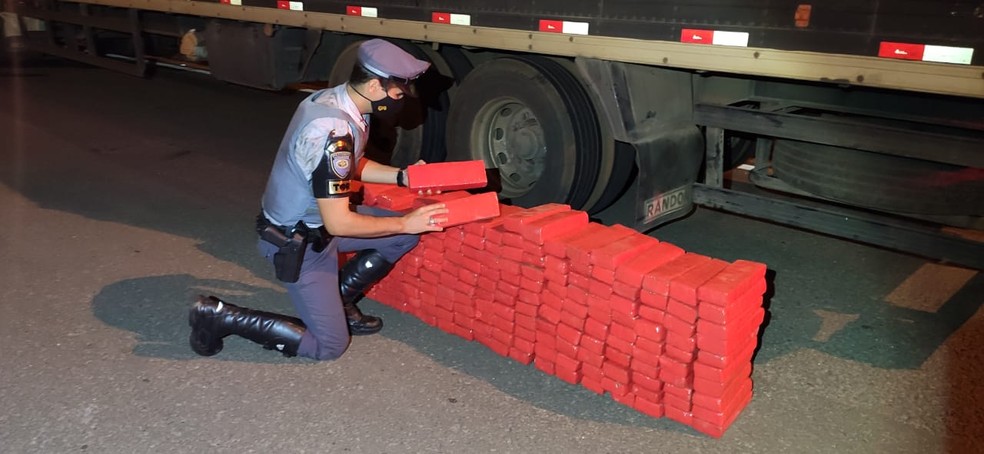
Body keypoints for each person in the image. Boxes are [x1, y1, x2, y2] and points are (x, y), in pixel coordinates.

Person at [188, 39, 449, 360]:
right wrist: (406, 220)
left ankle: (337, 300)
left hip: (318, 227)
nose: (402, 100)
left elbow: (350, 164)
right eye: (398, 93)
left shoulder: (340, 101)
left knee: (403, 237)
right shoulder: (332, 132)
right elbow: (339, 220)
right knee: (329, 346)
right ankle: (220, 316)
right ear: (372, 85)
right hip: (298, 241)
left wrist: (401, 176)